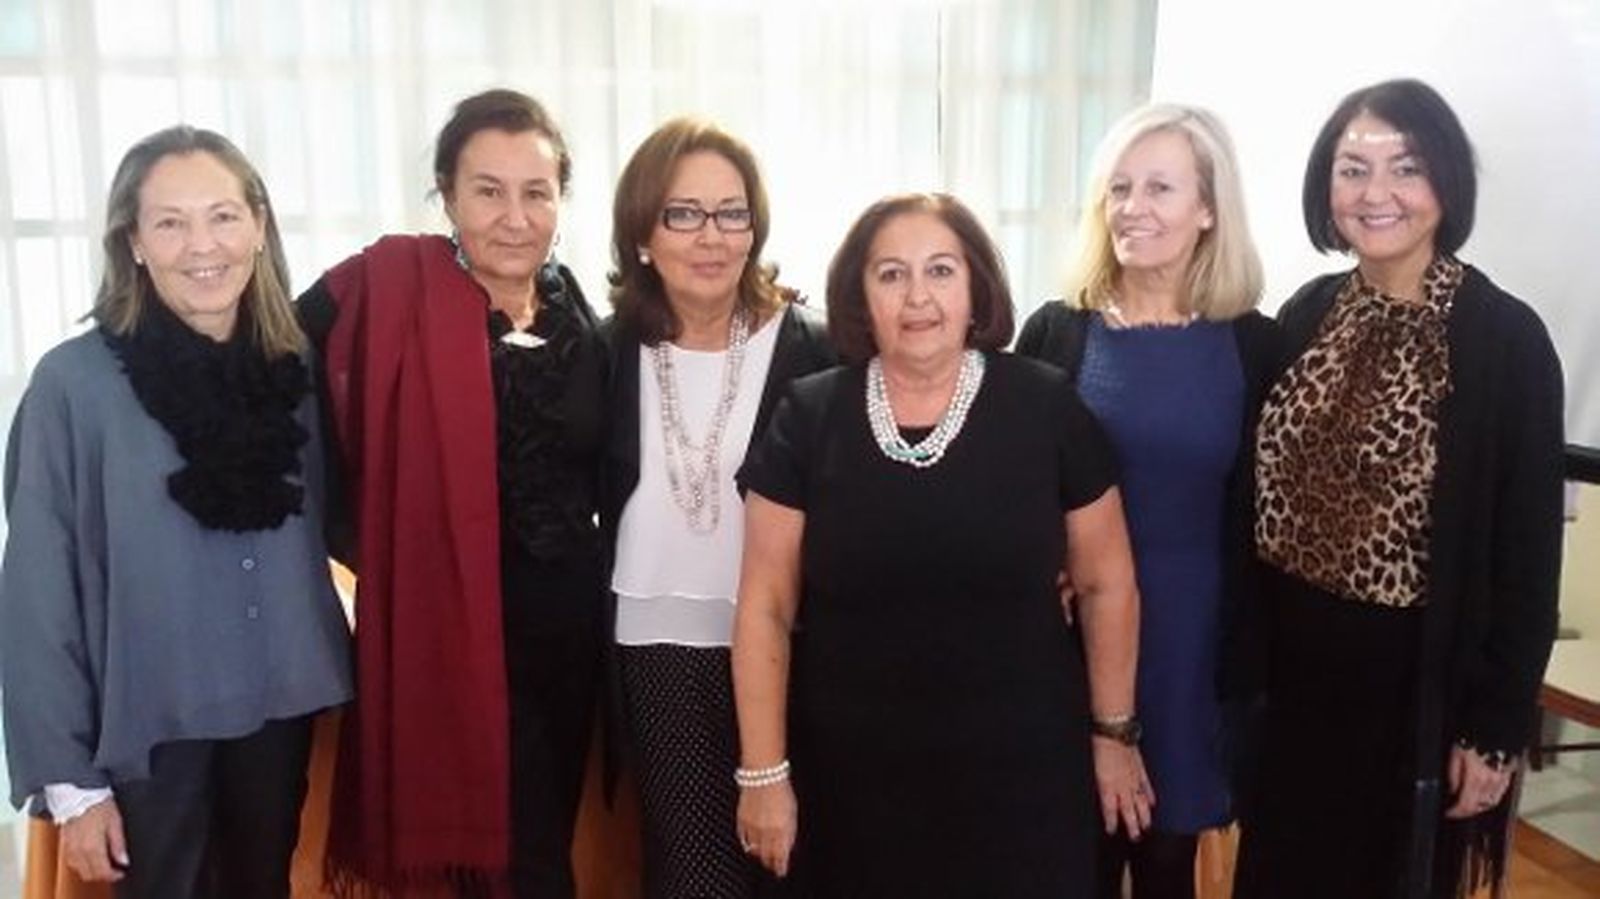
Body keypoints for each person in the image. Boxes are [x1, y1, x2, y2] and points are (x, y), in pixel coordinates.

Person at [732, 192, 1145, 895]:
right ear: (860, 296)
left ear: (975, 286)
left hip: (1021, 783)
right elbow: (765, 604)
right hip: (850, 782)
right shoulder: (808, 413)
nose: (917, 296)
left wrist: (1114, 734)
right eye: (890, 274)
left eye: (941, 271)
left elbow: (1107, 582)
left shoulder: (1045, 405)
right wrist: (764, 773)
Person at [0, 125, 353, 899]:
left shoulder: (296, 368)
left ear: (258, 226)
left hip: (281, 705)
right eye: (171, 221)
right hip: (149, 726)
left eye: (223, 216)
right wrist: (71, 782)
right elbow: (36, 593)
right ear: (133, 241)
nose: (204, 245)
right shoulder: (73, 386)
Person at [1233, 78, 1565, 899]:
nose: (1375, 193)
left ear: (1445, 183)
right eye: (1352, 169)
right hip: (1293, 684)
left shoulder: (1504, 340)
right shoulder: (1308, 312)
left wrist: (1494, 733)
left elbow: (1527, 556)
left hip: (1413, 693)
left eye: (1404, 168)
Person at [297, 89, 605, 896]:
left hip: (567, 634)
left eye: (536, 192)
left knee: (542, 842)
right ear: (446, 194)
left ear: (561, 200)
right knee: (500, 866)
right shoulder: (390, 286)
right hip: (450, 625)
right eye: (488, 190)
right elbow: (271, 356)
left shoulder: (584, 318)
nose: (514, 216)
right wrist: (359, 534)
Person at [1015, 104, 1281, 899]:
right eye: (1119, 188)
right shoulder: (1056, 334)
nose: (1134, 207)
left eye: (1161, 187)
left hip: (1195, 650)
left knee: (1168, 861)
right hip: (1073, 643)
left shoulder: (1257, 345)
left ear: (1208, 208)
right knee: (1074, 860)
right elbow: (1014, 487)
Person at [599, 118, 834, 899]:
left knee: (799, 864)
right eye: (683, 213)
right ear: (642, 234)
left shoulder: (815, 350)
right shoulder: (603, 350)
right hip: (658, 645)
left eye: (731, 213)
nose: (711, 237)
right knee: (696, 875)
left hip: (798, 647)